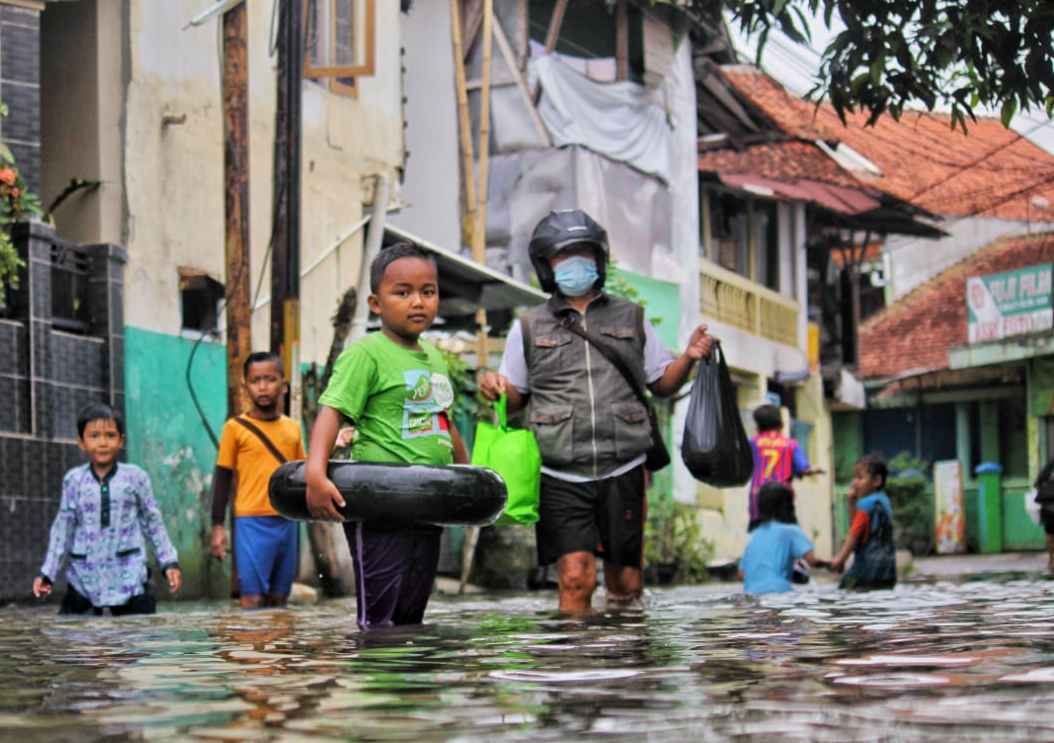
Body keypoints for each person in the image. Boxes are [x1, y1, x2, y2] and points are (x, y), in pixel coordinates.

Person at [478, 208, 714, 612]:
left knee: (625, 587)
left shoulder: (632, 317)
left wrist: (689, 358)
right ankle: (578, 666)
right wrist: (495, 386)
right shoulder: (529, 327)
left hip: (623, 466)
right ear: (546, 265)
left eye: (583, 252)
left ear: (599, 259)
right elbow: (515, 396)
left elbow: (662, 384)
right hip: (558, 470)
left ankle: (625, 665)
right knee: (575, 578)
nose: (574, 262)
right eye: (562, 255)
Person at [305, 242, 469, 628]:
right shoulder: (367, 354)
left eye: (427, 292)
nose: (418, 302)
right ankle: (376, 684)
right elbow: (332, 412)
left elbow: (442, 420)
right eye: (403, 292)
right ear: (376, 304)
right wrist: (315, 473)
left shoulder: (435, 358)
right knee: (380, 617)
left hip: (427, 502)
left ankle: (408, 687)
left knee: (412, 614)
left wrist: (468, 475)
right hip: (380, 502)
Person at [33, 403, 182, 614]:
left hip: (129, 575)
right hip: (84, 577)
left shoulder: (135, 478)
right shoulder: (74, 481)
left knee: (136, 640)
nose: (102, 443)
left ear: (121, 441)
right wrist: (47, 572)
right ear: (81, 442)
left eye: (110, 435)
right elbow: (62, 529)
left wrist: (169, 562)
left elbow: (153, 522)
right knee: (78, 640)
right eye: (94, 436)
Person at [210, 351, 307, 608]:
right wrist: (218, 526)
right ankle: (249, 648)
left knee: (279, 599)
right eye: (255, 380)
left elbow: (302, 474)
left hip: (287, 521)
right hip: (251, 521)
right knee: (251, 600)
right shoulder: (234, 428)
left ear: (284, 386)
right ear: (245, 386)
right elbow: (222, 476)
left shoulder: (293, 428)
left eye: (270, 379)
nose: (263, 387)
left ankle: (279, 648)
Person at [738, 482, 828, 595]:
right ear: (788, 506)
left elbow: (741, 574)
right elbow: (812, 561)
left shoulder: (755, 535)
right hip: (779, 592)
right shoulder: (791, 531)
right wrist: (831, 564)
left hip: (751, 594)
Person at [747, 403, 822, 529]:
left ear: (757, 428)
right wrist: (814, 469)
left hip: (758, 496)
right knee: (787, 530)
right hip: (782, 497)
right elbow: (803, 468)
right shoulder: (790, 444)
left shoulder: (753, 442)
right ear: (782, 425)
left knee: (760, 531)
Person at [830, 453, 895, 590]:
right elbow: (860, 528)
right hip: (887, 570)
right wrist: (852, 504)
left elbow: (854, 534)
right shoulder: (884, 501)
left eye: (860, 478)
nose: (854, 483)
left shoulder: (866, 504)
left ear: (876, 481)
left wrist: (840, 560)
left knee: (844, 592)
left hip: (866, 569)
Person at [1034, 457, 1054, 570]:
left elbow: (1036, 483)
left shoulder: (1050, 464)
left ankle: (1051, 560)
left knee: (1049, 532)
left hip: (1048, 504)